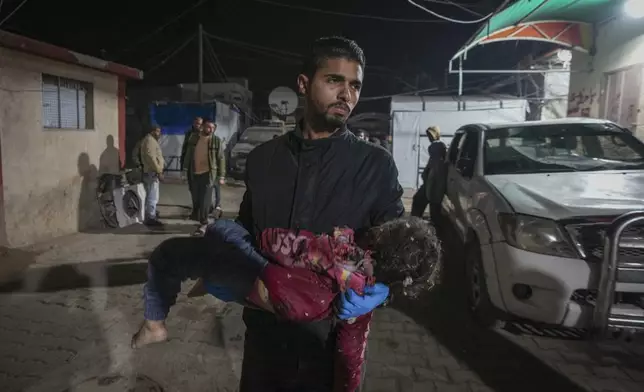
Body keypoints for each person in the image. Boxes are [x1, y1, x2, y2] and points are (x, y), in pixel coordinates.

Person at [205, 36, 405, 392]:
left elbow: (396, 248)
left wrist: (383, 288)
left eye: (355, 85)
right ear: (303, 83)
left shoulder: (376, 166)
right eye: (334, 81)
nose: (347, 94)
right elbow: (248, 228)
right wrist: (225, 259)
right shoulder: (263, 160)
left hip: (330, 343)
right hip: (264, 336)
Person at [131, 217, 442, 392]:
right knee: (227, 278)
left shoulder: (341, 251)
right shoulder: (364, 300)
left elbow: (274, 242)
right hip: (284, 307)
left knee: (180, 250)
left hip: (265, 277)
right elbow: (351, 354)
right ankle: (207, 277)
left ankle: (154, 324)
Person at [182, 119, 226, 235]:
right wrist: (185, 169)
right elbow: (188, 155)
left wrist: (221, 176)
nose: (211, 130)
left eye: (213, 128)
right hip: (195, 173)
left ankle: (204, 222)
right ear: (202, 127)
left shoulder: (216, 141)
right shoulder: (194, 138)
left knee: (205, 199)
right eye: (208, 127)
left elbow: (221, 158)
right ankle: (200, 216)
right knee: (196, 196)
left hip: (209, 173)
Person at [411, 126, 446, 221]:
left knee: (420, 201)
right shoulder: (440, 146)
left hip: (433, 181)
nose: (429, 137)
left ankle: (415, 222)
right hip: (432, 181)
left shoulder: (436, 146)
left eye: (430, 135)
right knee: (431, 206)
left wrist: (427, 176)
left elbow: (435, 167)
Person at [140, 125, 165, 226]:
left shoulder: (150, 140)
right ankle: (150, 217)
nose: (159, 134)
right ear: (153, 131)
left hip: (151, 171)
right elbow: (151, 158)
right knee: (152, 196)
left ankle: (151, 214)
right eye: (158, 131)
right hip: (152, 172)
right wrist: (158, 170)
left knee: (151, 194)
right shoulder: (150, 141)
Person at [180, 116, 203, 219]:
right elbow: (185, 150)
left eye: (199, 124)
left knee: (201, 190)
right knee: (193, 189)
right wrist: (183, 166)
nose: (197, 125)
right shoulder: (189, 134)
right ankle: (195, 210)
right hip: (190, 167)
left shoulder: (204, 136)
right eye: (196, 123)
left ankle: (201, 212)